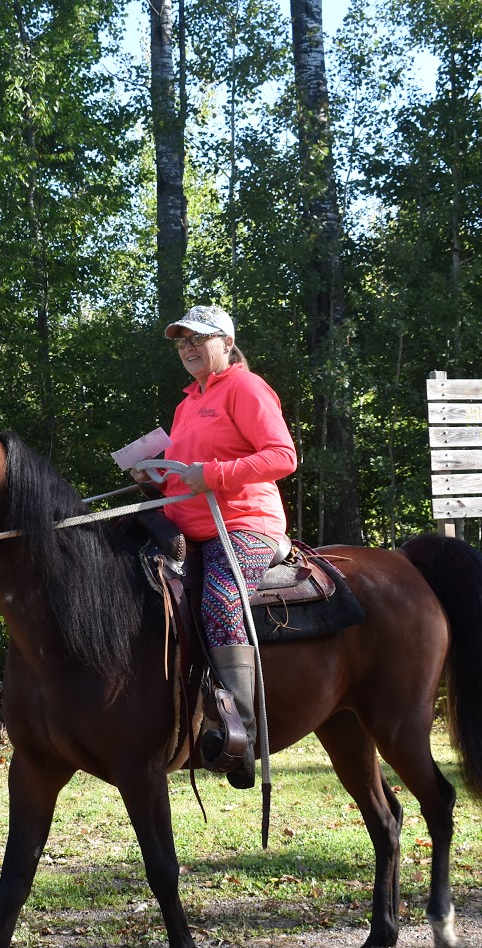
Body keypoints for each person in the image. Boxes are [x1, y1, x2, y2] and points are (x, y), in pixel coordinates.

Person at [134, 305, 298, 789]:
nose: (186, 348)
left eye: (197, 339)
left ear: (226, 343)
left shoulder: (246, 388)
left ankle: (241, 738)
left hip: (245, 525)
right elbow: (184, 479)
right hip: (188, 530)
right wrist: (153, 474)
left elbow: (282, 456)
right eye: (181, 341)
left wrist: (210, 475)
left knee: (222, 601)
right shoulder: (187, 402)